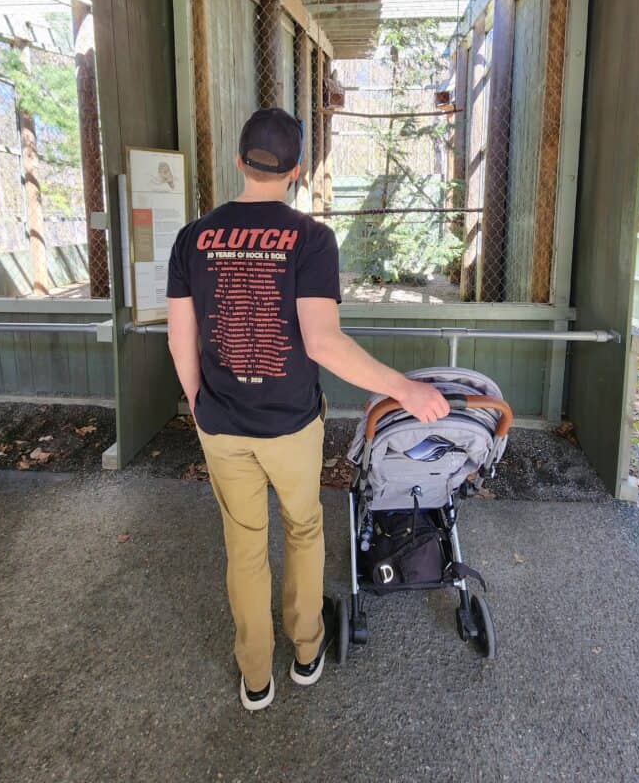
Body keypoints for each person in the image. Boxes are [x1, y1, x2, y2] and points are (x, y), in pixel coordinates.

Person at [166, 108, 450, 712]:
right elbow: (322, 343)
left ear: (239, 161)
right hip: (291, 424)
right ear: (295, 171)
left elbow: (178, 337)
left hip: (221, 424)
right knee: (302, 528)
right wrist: (406, 388)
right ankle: (304, 652)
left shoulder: (193, 239)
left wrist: (198, 403)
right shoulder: (311, 239)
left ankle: (255, 678)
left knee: (243, 545)